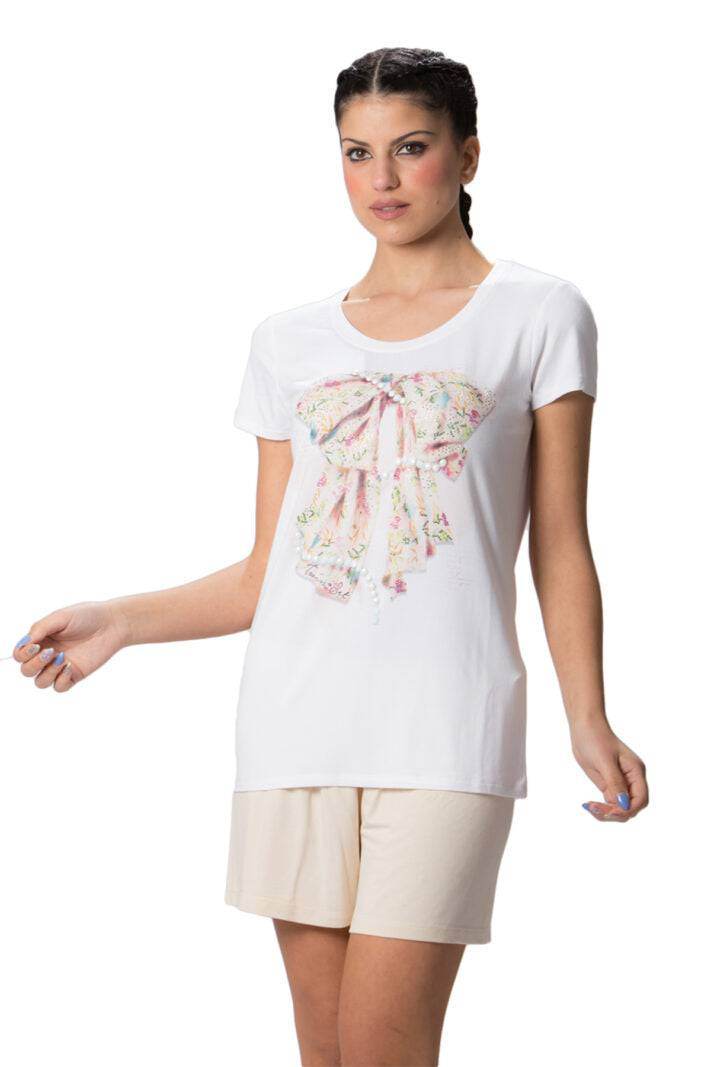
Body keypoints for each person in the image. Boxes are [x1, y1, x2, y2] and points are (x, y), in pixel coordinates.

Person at [12, 46, 649, 1067]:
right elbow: (268, 570)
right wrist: (120, 620)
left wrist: (588, 715)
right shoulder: (290, 340)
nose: (382, 179)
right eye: (358, 153)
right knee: (327, 1053)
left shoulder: (539, 312)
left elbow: (561, 542)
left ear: (467, 156)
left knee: (385, 1047)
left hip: (447, 731)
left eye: (411, 148)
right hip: (295, 729)